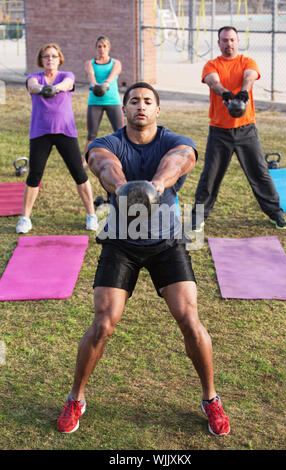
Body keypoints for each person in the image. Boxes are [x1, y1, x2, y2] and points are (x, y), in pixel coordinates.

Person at [57, 82, 230, 437]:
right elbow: (102, 164)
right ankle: (76, 397)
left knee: (189, 320)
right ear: (124, 110)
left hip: (166, 242)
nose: (141, 106)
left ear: (157, 110)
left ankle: (211, 398)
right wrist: (122, 188)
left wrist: (155, 185)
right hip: (121, 243)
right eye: (134, 101)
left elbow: (181, 160)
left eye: (148, 101)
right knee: (104, 323)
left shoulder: (173, 140)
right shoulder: (108, 142)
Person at [191, 26, 286, 231]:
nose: (229, 44)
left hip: (246, 130)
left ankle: (276, 213)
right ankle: (197, 217)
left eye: (232, 40)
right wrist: (225, 93)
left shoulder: (247, 61)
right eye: (225, 40)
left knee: (260, 173)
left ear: (238, 41)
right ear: (219, 43)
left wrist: (244, 91)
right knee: (210, 175)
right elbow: (212, 81)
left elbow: (250, 76)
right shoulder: (212, 64)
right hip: (219, 131)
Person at [16, 43, 98, 234]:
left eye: (53, 56)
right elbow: (33, 86)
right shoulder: (33, 77)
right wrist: (43, 88)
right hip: (40, 132)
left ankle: (91, 215)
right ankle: (25, 218)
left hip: (65, 131)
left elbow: (67, 85)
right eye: (46, 56)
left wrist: (54, 88)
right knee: (34, 175)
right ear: (41, 60)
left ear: (59, 58)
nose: (50, 59)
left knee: (79, 173)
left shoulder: (66, 76)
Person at [82, 35, 124, 168]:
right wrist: (94, 85)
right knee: (91, 134)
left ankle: (124, 156)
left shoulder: (115, 63)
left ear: (109, 48)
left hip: (112, 101)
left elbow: (112, 76)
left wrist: (105, 84)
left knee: (120, 131)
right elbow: (91, 77)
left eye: (104, 46)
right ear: (96, 48)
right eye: (99, 46)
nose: (102, 49)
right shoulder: (90, 63)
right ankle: (84, 160)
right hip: (95, 102)